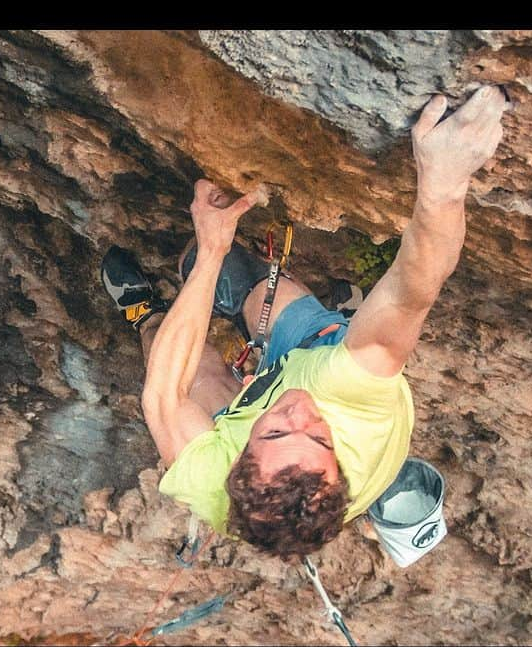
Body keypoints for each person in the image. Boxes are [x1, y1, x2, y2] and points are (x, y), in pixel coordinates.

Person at [100, 87, 507, 555]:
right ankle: (342, 318)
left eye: (275, 432)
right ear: (339, 474)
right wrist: (445, 182)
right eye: (318, 437)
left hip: (255, 417)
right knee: (219, 273)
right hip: (321, 357)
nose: (297, 412)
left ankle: (143, 312)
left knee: (186, 319)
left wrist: (212, 246)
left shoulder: (214, 482)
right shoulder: (356, 409)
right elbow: (413, 290)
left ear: (236, 465)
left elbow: (163, 395)